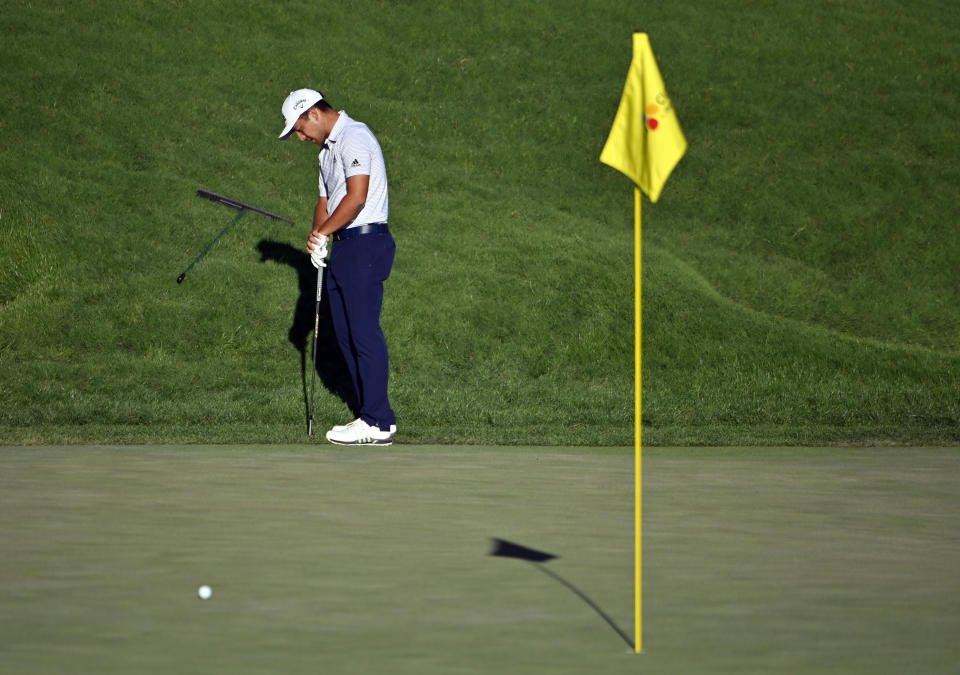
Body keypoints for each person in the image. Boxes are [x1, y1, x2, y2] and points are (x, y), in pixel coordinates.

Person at [278, 88, 397, 446]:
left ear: (313, 114)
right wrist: (317, 236)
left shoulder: (354, 137)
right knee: (345, 336)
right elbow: (325, 201)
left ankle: (378, 421)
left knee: (363, 333)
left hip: (367, 243)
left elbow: (356, 198)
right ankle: (370, 416)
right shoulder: (326, 152)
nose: (300, 137)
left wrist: (327, 232)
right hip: (345, 247)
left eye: (299, 129)